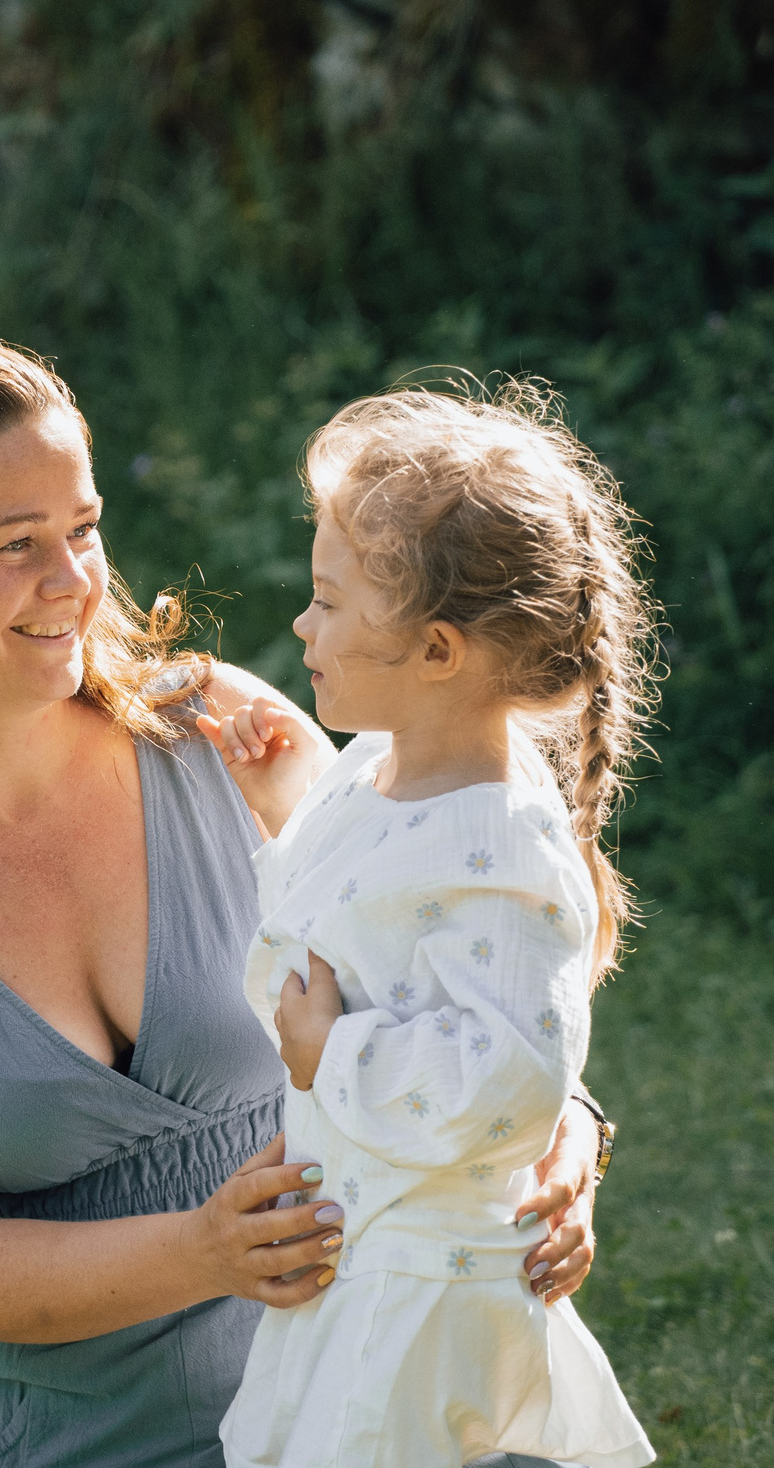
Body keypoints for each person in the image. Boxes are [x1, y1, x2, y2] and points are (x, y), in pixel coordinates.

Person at [0, 335, 607, 1466]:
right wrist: (206, 1252)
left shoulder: (225, 738)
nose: (74, 580)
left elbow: (436, 945)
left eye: (81, 528)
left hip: (348, 1406)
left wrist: (562, 1133)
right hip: (49, 1443)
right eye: (13, 545)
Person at [207, 386, 658, 1468]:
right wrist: (283, 800)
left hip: (421, 1294)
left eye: (328, 602)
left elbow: (506, 1078)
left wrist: (332, 1051)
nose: (300, 626)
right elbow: (347, 920)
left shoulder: (503, 846)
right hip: (358, 1258)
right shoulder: (378, 766)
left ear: (439, 651)